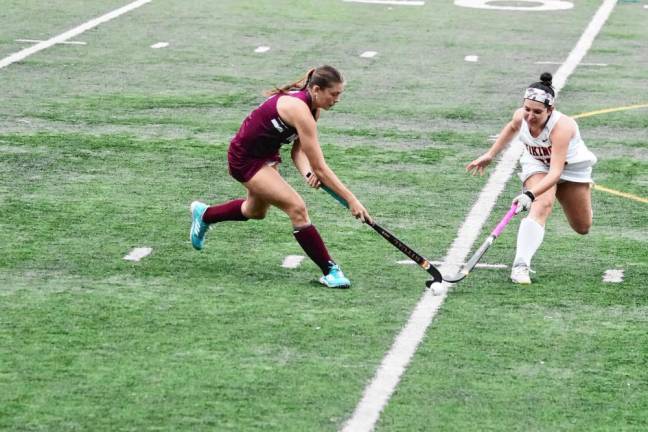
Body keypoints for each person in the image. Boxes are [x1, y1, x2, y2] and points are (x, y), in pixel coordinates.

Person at [189, 65, 371, 288]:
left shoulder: (313, 109)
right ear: (316, 89)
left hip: (266, 155)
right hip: (245, 158)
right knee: (297, 208)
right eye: (334, 94)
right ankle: (330, 270)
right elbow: (321, 168)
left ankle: (205, 214)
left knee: (255, 211)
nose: (337, 99)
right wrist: (351, 199)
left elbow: (298, 150)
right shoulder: (300, 110)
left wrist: (307, 173)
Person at [466, 72, 597, 284]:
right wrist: (490, 155)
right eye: (527, 109)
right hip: (537, 165)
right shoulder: (522, 116)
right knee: (542, 205)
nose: (530, 116)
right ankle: (521, 266)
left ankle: (579, 198)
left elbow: (556, 173)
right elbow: (512, 127)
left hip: (570, 169)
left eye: (537, 111)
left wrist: (528, 194)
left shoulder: (562, 127)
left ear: (550, 110)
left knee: (583, 226)